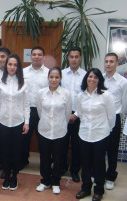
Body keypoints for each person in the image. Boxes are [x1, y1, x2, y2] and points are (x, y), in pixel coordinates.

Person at [75, 68, 116, 201]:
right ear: (86, 78)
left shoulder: (106, 95)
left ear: (99, 80)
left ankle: (99, 190)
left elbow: (111, 117)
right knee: (85, 163)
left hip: (101, 134)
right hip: (85, 134)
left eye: (96, 77)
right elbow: (80, 114)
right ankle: (86, 188)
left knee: (99, 164)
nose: (92, 79)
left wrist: (107, 130)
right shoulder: (81, 95)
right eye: (90, 76)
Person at [0, 54, 30, 191]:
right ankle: (7, 176)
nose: (12, 67)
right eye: (10, 64)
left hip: (18, 122)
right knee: (4, 152)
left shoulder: (24, 82)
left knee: (16, 152)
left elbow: (26, 105)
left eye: (15, 65)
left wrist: (27, 122)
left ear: (18, 67)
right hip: (3, 122)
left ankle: (14, 177)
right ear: (6, 65)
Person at [36, 67, 72, 194]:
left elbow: (67, 113)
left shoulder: (66, 94)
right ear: (48, 78)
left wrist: (60, 123)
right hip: (44, 130)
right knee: (44, 157)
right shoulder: (41, 93)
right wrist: (46, 122)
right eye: (51, 77)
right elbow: (39, 111)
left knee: (58, 158)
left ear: (60, 78)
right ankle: (45, 181)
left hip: (60, 131)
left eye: (57, 77)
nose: (54, 79)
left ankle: (56, 181)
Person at [61, 47, 86, 182]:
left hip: (79, 115)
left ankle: (75, 170)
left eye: (76, 56)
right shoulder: (62, 74)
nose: (74, 59)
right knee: (62, 143)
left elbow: (86, 98)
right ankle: (62, 167)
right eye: (71, 56)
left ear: (80, 58)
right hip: (62, 114)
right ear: (68, 58)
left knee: (77, 145)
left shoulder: (86, 75)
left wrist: (76, 114)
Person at [22, 46, 49, 168]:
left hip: (43, 111)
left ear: (43, 57)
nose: (36, 57)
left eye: (39, 54)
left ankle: (45, 163)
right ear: (30, 56)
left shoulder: (49, 73)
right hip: (26, 110)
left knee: (43, 139)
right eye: (34, 54)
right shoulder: (23, 72)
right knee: (24, 138)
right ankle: (23, 161)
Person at [103, 53, 127, 190]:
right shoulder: (100, 78)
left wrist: (116, 113)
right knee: (99, 148)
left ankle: (111, 176)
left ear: (117, 63)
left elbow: (124, 103)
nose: (108, 64)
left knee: (112, 150)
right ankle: (98, 173)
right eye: (106, 61)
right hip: (100, 119)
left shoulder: (123, 82)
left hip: (115, 118)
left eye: (111, 61)